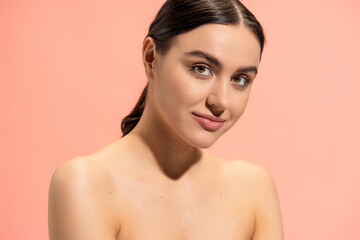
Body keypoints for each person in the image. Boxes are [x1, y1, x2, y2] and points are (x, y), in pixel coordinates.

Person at [48, 0, 284, 239]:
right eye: (201, 69)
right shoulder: (87, 184)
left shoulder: (254, 189)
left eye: (240, 79)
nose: (221, 101)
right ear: (151, 58)